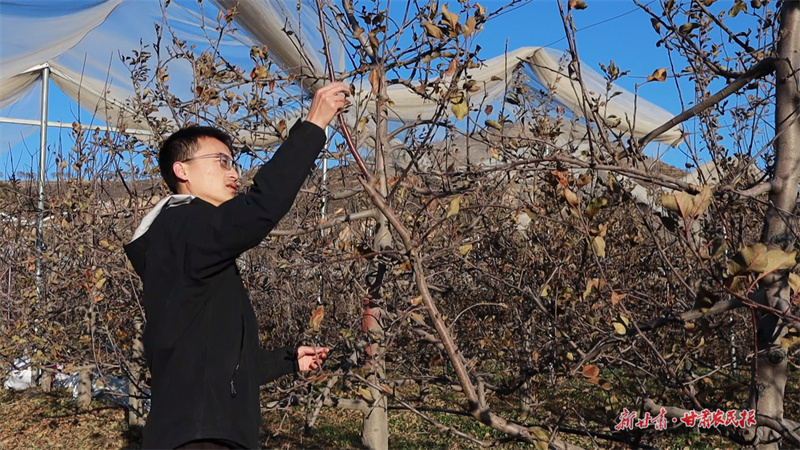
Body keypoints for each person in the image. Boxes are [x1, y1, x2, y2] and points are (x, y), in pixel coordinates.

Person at [124, 82, 350, 449]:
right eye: (223, 161)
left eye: (235, 163)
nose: (235, 174)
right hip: (201, 438)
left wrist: (287, 360)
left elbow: (216, 362)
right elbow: (259, 209)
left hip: (200, 433)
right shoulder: (183, 226)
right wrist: (313, 125)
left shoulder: (185, 247)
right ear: (182, 170)